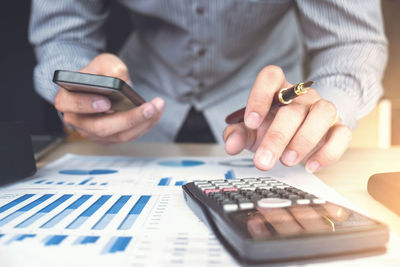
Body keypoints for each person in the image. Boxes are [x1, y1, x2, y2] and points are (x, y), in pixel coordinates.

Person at [29, 1, 387, 173]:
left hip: (272, 121)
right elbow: (63, 33)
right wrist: (83, 84)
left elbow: (352, 41)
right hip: (141, 111)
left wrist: (328, 107)